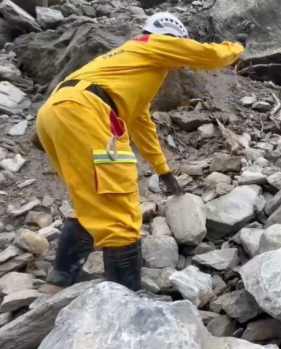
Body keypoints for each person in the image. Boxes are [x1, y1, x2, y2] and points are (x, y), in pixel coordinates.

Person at [34, 12, 244, 293]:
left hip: (56, 113)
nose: (178, 66)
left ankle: (59, 282)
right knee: (120, 209)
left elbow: (141, 124)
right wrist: (238, 47)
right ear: (171, 40)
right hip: (88, 111)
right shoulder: (152, 43)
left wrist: (162, 169)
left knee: (92, 202)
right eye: (178, 52)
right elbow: (210, 55)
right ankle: (125, 300)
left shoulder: (130, 70)